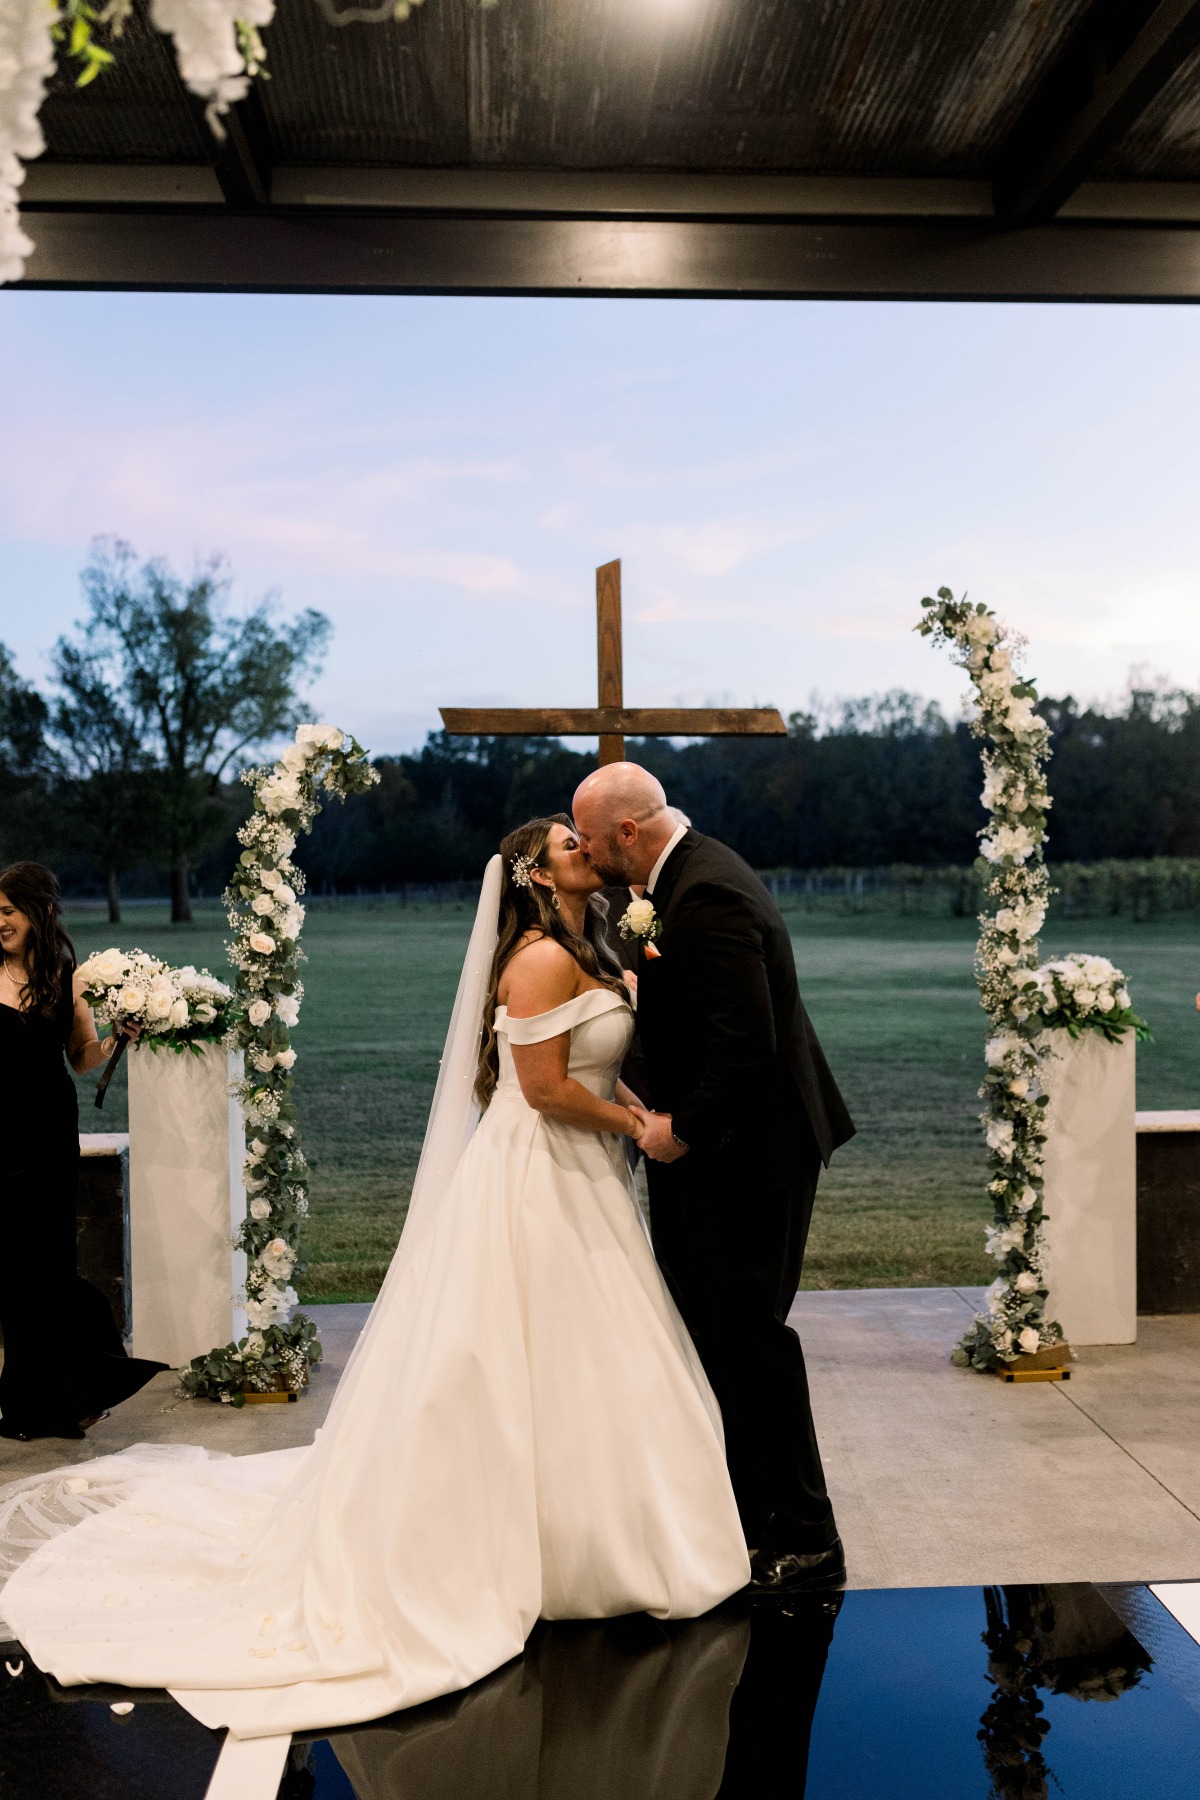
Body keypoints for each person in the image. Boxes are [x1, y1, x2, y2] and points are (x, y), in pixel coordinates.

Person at [0, 820, 749, 1740]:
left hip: (580, 1179)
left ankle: (604, 1532)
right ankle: (551, 1550)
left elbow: (592, 1063)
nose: (583, 846)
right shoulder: (537, 961)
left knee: (595, 1355)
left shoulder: (584, 943)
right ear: (533, 872)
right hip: (540, 1174)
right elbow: (547, 1090)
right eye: (565, 842)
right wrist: (636, 1130)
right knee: (528, 1349)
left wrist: (635, 1099)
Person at [572, 764, 856, 1595]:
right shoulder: (678, 882)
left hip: (752, 1152)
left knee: (753, 1338)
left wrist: (676, 1128)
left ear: (628, 831)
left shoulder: (712, 895)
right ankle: (746, 1515)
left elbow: (746, 1046)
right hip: (720, 1150)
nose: (586, 851)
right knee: (714, 1334)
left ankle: (808, 1535)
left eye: (591, 836)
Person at [0, 862, 164, 1442]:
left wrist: (116, 1039)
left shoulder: (65, 977)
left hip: (47, 1136)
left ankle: (39, 1408)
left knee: (46, 1267)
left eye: (8, 912)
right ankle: (54, 1388)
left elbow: (81, 1056)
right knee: (13, 1274)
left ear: (38, 913)